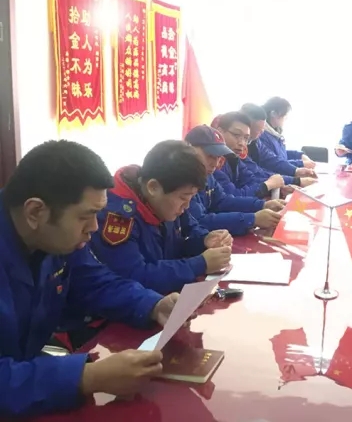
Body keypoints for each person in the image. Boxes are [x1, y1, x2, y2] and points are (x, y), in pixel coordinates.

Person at [0, 140, 181, 417]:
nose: (94, 227)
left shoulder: (53, 238)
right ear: (35, 211)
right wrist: (86, 378)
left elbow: (94, 281)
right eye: (86, 216)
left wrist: (153, 305)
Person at [90, 140, 233, 295]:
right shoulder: (119, 218)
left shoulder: (167, 203)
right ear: (153, 187)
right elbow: (135, 276)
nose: (186, 206)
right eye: (183, 197)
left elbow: (188, 232)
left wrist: (205, 240)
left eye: (191, 197)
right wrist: (199, 264)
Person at [185, 125, 284, 235]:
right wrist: (252, 219)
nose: (215, 164)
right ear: (189, 149)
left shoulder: (207, 175)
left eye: (218, 157)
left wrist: (262, 205)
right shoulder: (182, 181)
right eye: (210, 156)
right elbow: (200, 221)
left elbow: (223, 201)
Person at [213, 111, 316, 197]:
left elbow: (251, 179)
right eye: (236, 135)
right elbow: (230, 198)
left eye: (245, 138)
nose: (242, 143)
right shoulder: (214, 161)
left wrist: (279, 187)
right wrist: (268, 186)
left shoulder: (234, 155)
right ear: (219, 132)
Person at [254, 97, 317, 177]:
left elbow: (281, 154)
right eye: (285, 115)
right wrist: (300, 164)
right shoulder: (262, 135)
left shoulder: (275, 133)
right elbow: (273, 163)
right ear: (274, 114)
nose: (285, 118)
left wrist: (299, 155)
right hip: (274, 177)